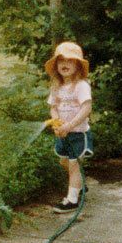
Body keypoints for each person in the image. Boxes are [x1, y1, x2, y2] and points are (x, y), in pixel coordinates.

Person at [45, 41, 93, 213]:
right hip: (63, 134)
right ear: (56, 65)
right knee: (64, 161)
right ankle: (79, 184)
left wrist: (70, 125)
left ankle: (71, 200)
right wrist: (57, 124)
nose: (64, 64)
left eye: (70, 60)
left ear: (78, 65)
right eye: (61, 61)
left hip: (78, 134)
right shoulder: (57, 87)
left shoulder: (81, 86)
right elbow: (53, 107)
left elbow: (86, 108)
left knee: (73, 165)